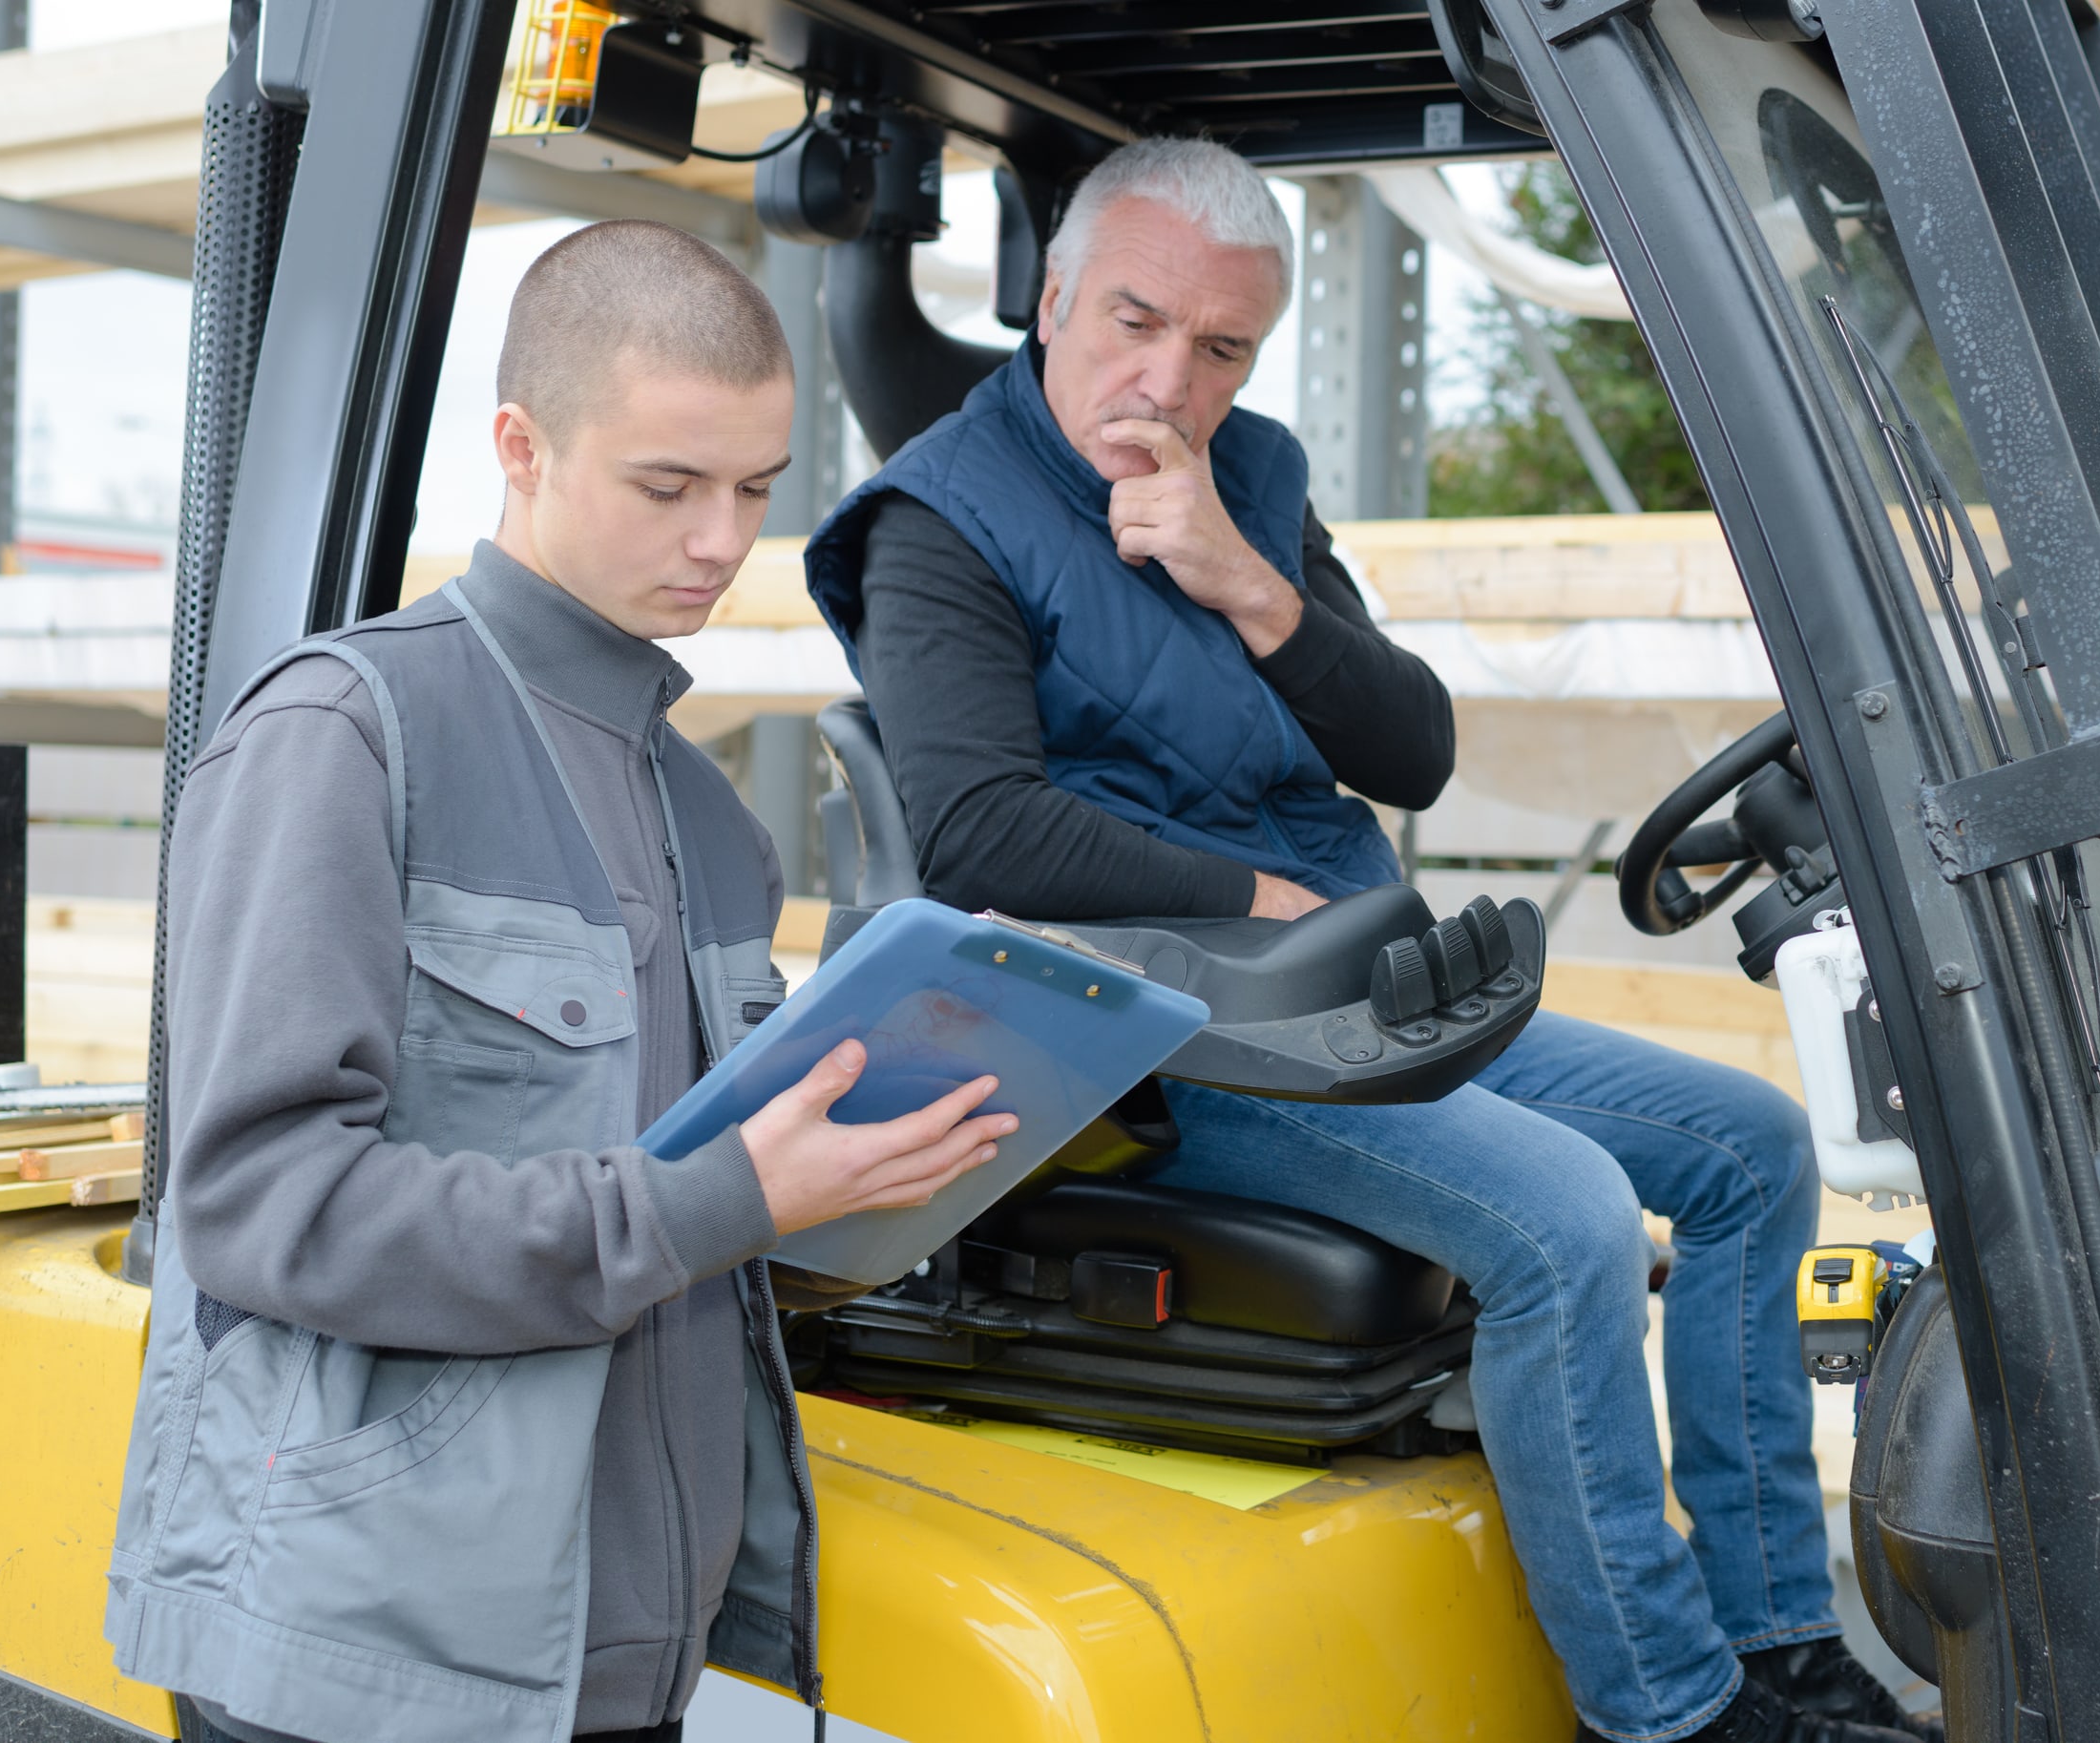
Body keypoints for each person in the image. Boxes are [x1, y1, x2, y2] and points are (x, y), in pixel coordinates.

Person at [803, 142, 1938, 1743]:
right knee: (1567, 1219)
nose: (1167, 378)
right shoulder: (941, 525)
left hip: (1358, 1003)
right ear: (1052, 300)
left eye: (1219, 350)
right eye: (1133, 322)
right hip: (1174, 1033)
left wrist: (1243, 581)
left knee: (1751, 1146)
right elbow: (982, 828)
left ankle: (1773, 1638)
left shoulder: (1246, 480)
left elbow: (1409, 748)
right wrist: (1251, 901)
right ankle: (1673, 1711)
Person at [105, 220, 1014, 1743]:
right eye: (669, 486)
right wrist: (717, 1197)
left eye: (754, 489)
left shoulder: (712, 820)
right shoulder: (350, 734)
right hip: (365, 1658)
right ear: (520, 447)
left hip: (621, 1660)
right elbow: (263, 1203)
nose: (723, 540)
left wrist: (904, 1142)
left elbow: (715, 1215)